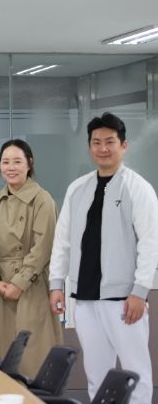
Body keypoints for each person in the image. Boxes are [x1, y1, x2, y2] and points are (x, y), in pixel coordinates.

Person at [49, 112, 158, 404]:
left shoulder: (138, 188)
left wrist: (140, 292)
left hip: (124, 299)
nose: (103, 148)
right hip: (84, 298)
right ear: (89, 147)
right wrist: (56, 283)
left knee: (135, 372)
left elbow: (150, 244)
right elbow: (63, 240)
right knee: (96, 372)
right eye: (96, 142)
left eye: (110, 141)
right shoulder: (77, 189)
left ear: (124, 145)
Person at [0, 139, 62, 376]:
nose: (11, 167)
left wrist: (19, 283)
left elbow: (43, 247)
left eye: (17, 161)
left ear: (29, 164)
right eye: (5, 162)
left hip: (31, 287)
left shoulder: (42, 199)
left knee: (31, 360)